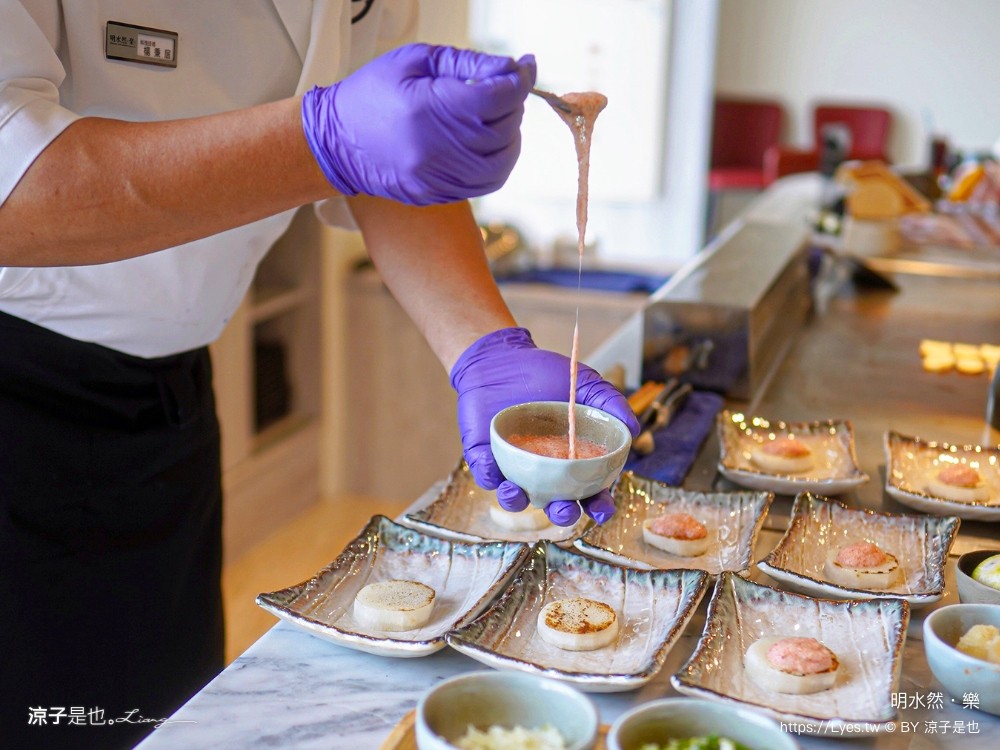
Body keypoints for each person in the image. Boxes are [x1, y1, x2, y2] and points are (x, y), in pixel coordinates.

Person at [0, 2, 638, 748]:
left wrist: (484, 344)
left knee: (170, 715)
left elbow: (386, 169)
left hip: (166, 399)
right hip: (20, 394)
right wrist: (319, 138)